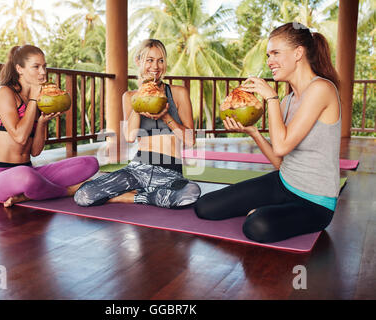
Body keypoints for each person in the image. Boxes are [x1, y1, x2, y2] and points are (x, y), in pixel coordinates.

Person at [195, 22, 341, 243]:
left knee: (257, 225)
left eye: (275, 53)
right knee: (205, 207)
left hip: (315, 202)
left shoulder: (321, 89)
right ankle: (274, 208)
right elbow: (280, 160)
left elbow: (282, 145)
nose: (269, 61)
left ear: (298, 53)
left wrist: (270, 98)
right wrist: (253, 131)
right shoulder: (287, 101)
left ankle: (270, 211)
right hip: (283, 183)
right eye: (268, 55)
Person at [75, 39, 201, 208]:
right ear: (138, 61)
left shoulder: (178, 93)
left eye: (160, 60)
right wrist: (140, 99)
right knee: (83, 195)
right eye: (149, 60)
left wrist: (166, 118)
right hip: (137, 169)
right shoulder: (130, 96)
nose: (155, 66)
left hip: (170, 172)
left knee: (191, 193)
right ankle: (146, 197)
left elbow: (190, 140)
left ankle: (133, 196)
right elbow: (130, 136)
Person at [0, 45, 99, 207]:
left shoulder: (39, 100)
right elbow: (20, 137)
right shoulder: (5, 93)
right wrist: (32, 99)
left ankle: (30, 195)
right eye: (36, 67)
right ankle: (68, 191)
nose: (43, 72)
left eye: (44, 66)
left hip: (29, 169)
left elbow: (35, 151)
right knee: (26, 176)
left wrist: (42, 123)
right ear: (20, 69)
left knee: (90, 163)